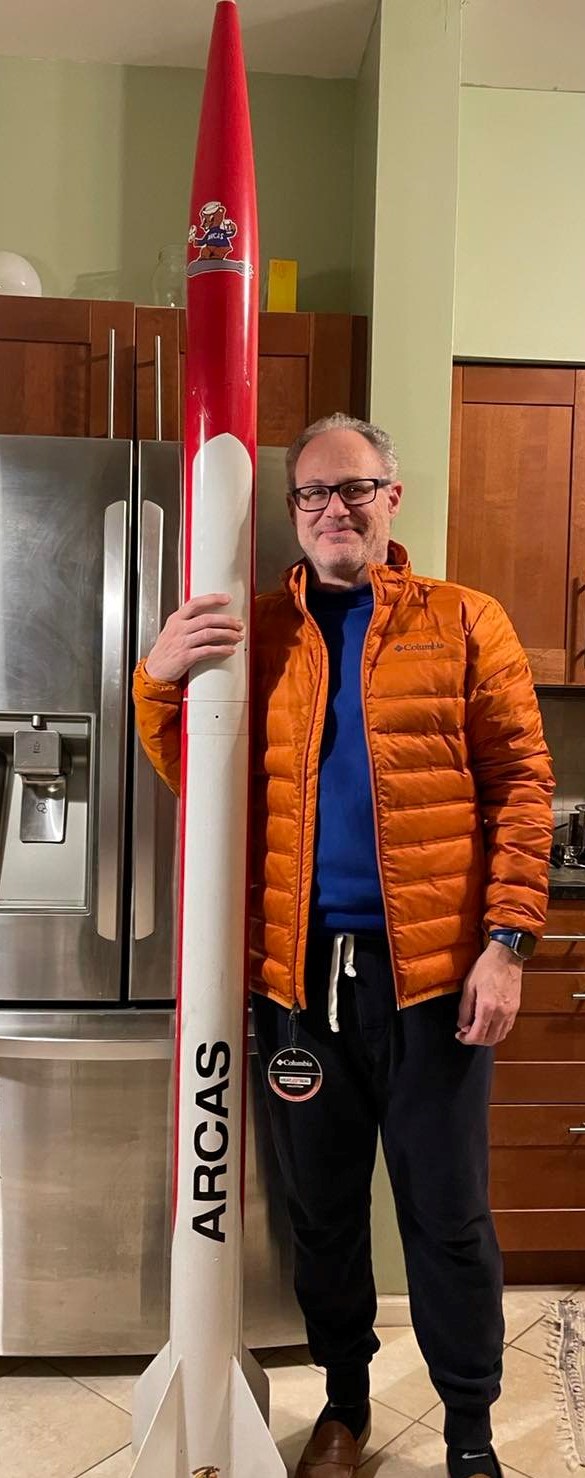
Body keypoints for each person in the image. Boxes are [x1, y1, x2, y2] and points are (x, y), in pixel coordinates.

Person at [133, 412, 554, 1478]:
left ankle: (469, 1430)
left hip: (434, 987)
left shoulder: (466, 622)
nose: (336, 509)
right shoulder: (255, 633)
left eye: (356, 488)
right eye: (315, 493)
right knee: (322, 1218)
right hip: (296, 985)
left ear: (390, 499)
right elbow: (201, 783)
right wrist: (158, 679)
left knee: (446, 1216)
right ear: (292, 511)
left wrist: (506, 942)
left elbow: (522, 788)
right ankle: (345, 1405)